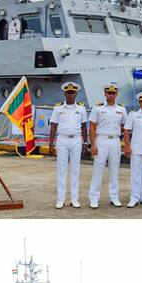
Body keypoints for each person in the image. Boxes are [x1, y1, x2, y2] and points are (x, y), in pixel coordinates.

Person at [49, 81, 88, 209]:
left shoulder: (81, 108)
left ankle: (74, 199)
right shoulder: (58, 108)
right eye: (68, 92)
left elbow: (83, 126)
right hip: (62, 140)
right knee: (62, 169)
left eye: (72, 92)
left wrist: (85, 142)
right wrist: (51, 144)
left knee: (75, 169)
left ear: (76, 93)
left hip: (76, 140)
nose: (70, 94)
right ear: (65, 93)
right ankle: (61, 199)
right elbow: (53, 126)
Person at [88, 82, 127, 208]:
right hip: (101, 140)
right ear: (105, 93)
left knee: (114, 170)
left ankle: (114, 197)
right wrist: (93, 144)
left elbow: (124, 126)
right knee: (97, 170)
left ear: (117, 94)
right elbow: (92, 127)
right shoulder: (98, 108)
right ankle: (94, 198)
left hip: (115, 141)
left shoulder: (121, 109)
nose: (111, 95)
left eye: (113, 93)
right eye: (109, 92)